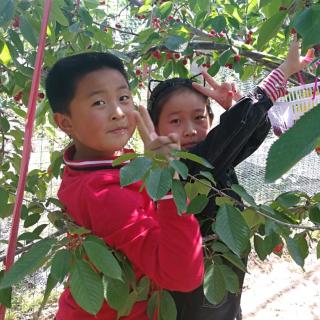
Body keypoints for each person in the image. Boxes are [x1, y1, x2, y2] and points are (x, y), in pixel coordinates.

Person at [147, 35, 314, 320]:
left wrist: (235, 103)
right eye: (175, 121)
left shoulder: (210, 158)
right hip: (197, 294)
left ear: (211, 121)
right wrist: (280, 75)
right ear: (154, 128)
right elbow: (230, 136)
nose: (189, 130)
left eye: (199, 117)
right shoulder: (178, 168)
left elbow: (244, 140)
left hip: (223, 280)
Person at [45, 52, 204, 319]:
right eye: (99, 102)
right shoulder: (104, 194)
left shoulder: (91, 162)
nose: (118, 113)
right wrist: (168, 184)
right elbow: (183, 276)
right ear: (65, 122)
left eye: (123, 98)